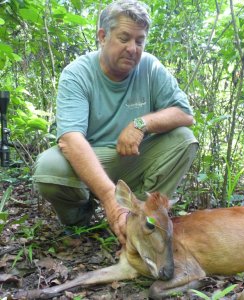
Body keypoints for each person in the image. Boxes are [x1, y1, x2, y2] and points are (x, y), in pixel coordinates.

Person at [33, 0, 198, 245]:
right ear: (102, 36)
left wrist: (141, 123)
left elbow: (185, 114)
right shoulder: (77, 73)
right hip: (90, 159)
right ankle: (79, 219)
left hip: (133, 158)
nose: (133, 48)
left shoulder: (150, 67)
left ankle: (138, 217)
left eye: (139, 40)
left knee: (184, 139)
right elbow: (70, 139)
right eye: (124, 38)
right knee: (48, 168)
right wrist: (110, 201)